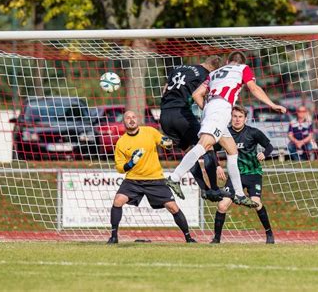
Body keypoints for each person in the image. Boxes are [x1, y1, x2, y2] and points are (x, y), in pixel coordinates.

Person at [165, 51, 287, 208]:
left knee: (232, 150)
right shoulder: (243, 68)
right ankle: (174, 177)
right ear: (242, 62)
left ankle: (239, 194)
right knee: (204, 145)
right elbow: (254, 88)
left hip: (213, 108)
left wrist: (208, 110)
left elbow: (196, 94)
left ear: (228, 61)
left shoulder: (215, 73)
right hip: (221, 108)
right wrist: (273, 105)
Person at [107, 111, 196, 244]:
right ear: (124, 122)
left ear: (137, 119)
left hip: (155, 179)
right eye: (128, 118)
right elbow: (119, 167)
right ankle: (114, 237)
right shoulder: (121, 142)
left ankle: (189, 238)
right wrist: (131, 163)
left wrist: (167, 143)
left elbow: (163, 141)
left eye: (133, 117)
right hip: (133, 180)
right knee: (118, 201)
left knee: (172, 207)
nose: (131, 120)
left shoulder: (149, 131)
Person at [160, 56, 228, 202]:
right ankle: (214, 190)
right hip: (181, 115)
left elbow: (164, 89)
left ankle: (204, 189)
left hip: (164, 116)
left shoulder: (178, 68)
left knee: (189, 152)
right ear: (214, 69)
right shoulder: (206, 75)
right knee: (207, 146)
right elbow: (200, 95)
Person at [212, 105, 275, 244]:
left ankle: (269, 233)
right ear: (230, 118)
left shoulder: (253, 132)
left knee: (256, 203)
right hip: (235, 176)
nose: (237, 119)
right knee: (222, 206)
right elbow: (211, 149)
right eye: (234, 116)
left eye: (240, 117)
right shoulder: (225, 134)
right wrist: (217, 166)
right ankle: (216, 239)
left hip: (253, 174)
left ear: (245, 119)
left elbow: (269, 146)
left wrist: (264, 154)